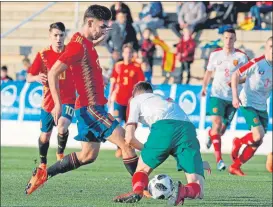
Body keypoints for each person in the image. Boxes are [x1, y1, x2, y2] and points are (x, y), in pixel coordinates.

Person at [25, 5, 138, 195]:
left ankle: (43, 174)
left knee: (87, 156)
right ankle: (140, 189)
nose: (104, 31)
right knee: (126, 144)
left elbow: (84, 52)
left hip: (87, 109)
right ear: (90, 22)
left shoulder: (83, 42)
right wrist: (58, 104)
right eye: (102, 27)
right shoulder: (77, 45)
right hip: (92, 108)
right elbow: (52, 72)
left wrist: (97, 40)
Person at [113, 82, 207, 205]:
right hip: (188, 129)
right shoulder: (167, 100)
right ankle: (183, 191)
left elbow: (129, 138)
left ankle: (138, 191)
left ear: (135, 94)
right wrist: (197, 161)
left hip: (163, 127)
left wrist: (147, 149)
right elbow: (177, 140)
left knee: (141, 170)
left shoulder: (135, 100)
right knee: (198, 187)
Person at [26, 22, 76, 169]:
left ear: (64, 36)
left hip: (68, 99)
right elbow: (29, 76)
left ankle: (60, 153)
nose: (58, 38)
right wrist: (36, 78)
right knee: (45, 136)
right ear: (50, 36)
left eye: (61, 35)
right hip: (48, 102)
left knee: (62, 125)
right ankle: (42, 163)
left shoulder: (71, 53)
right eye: (55, 35)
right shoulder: (43, 55)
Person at [201, 29, 249, 171]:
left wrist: (237, 81)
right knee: (217, 123)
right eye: (226, 38)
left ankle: (211, 135)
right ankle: (219, 160)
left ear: (235, 40)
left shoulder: (241, 57)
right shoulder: (215, 54)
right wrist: (204, 87)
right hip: (217, 94)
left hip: (233, 97)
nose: (228, 41)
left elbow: (247, 76)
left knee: (221, 130)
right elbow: (209, 71)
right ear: (223, 39)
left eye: (231, 38)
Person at [229, 36, 272, 176]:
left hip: (262, 106)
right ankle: (239, 142)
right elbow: (236, 74)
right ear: (266, 48)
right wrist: (235, 96)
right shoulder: (257, 63)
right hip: (247, 103)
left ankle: (235, 166)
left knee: (257, 142)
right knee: (258, 135)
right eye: (271, 46)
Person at [109, 44, 145, 123]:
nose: (127, 54)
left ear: (132, 54)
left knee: (129, 126)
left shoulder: (137, 67)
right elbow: (113, 82)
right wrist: (110, 97)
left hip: (131, 102)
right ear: (122, 53)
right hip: (118, 100)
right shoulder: (118, 65)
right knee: (116, 125)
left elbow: (141, 85)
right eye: (126, 52)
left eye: (129, 53)